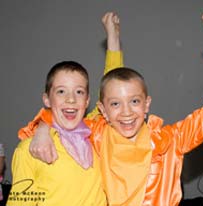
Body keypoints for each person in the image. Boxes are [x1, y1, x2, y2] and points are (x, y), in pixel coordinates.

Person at [17, 6, 203, 206]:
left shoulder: (170, 141)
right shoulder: (95, 135)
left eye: (134, 101)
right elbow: (67, 116)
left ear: (147, 104)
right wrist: (41, 128)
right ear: (103, 111)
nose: (126, 112)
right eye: (115, 104)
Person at [7, 12, 122, 206]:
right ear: (47, 99)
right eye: (61, 91)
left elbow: (113, 87)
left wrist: (113, 37)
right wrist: (43, 128)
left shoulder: (96, 133)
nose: (70, 99)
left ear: (87, 101)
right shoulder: (30, 149)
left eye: (78, 92)